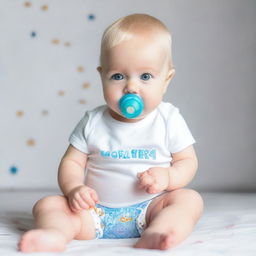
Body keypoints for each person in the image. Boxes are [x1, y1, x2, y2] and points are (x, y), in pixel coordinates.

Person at [18, 13, 203, 252]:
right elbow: (72, 163)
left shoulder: (168, 119)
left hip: (150, 209)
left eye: (145, 76)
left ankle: (161, 230)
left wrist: (168, 177)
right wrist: (75, 189)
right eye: (117, 76)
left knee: (189, 200)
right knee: (48, 204)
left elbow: (187, 162)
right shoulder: (93, 121)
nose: (131, 87)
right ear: (102, 76)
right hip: (94, 213)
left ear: (166, 80)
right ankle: (54, 233)